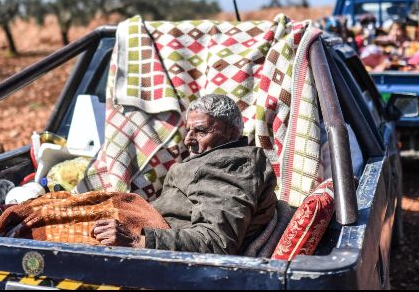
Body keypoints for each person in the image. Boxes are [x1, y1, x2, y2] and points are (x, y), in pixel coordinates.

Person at [91, 94, 278, 255]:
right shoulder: (214, 159)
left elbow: (216, 242)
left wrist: (135, 241)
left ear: (233, 133)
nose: (188, 140)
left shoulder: (232, 164)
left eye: (201, 131)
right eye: (189, 130)